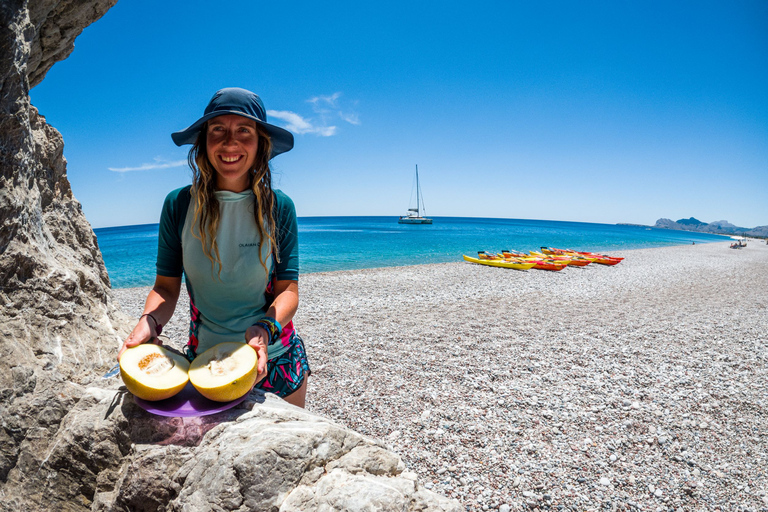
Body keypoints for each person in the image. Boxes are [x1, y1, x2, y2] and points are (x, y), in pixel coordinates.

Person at [118, 87, 309, 407]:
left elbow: (288, 289)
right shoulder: (178, 206)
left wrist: (265, 328)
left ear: (261, 143)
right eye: (218, 129)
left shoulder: (278, 208)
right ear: (203, 141)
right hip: (204, 363)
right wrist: (149, 322)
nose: (230, 141)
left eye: (244, 131)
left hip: (275, 359)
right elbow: (165, 288)